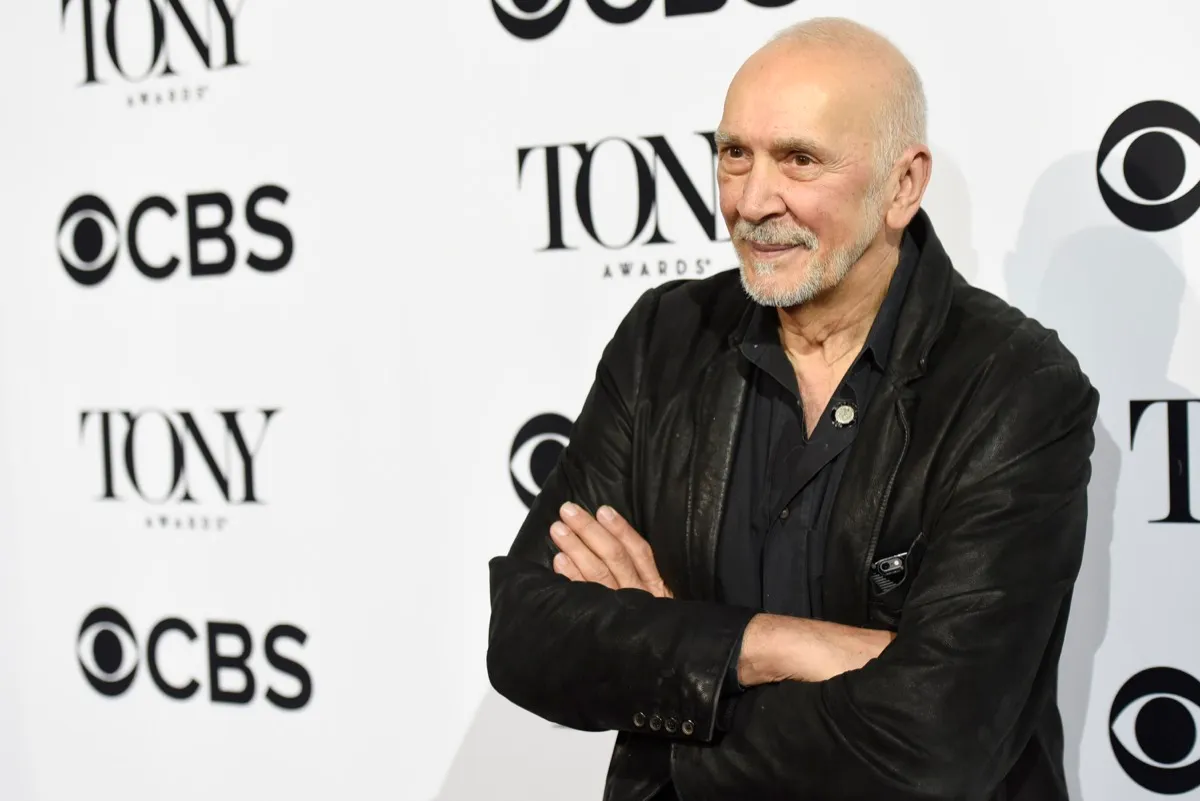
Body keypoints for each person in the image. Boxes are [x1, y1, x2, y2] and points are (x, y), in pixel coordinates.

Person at [486, 16, 1098, 801]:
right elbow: (526, 631)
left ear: (903, 185)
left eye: (799, 160)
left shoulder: (1012, 386)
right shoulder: (666, 337)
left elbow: (939, 739)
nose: (751, 199)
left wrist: (673, 670)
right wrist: (770, 643)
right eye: (734, 154)